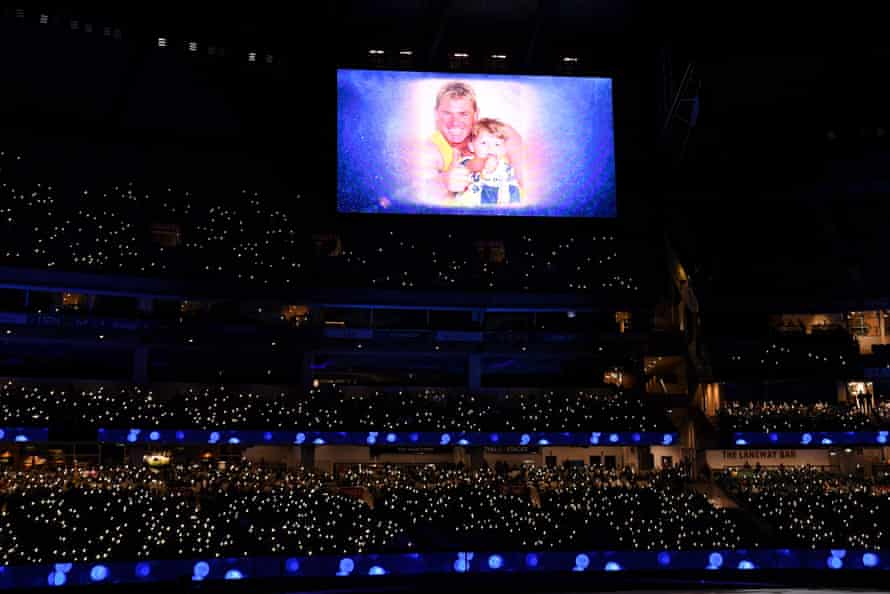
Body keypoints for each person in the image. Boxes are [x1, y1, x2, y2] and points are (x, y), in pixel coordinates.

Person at [416, 81, 523, 204]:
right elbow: (416, 193)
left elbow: (531, 181)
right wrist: (443, 182)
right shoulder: (429, 150)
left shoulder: (500, 133)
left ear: (476, 114)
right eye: (447, 113)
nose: (455, 122)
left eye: (463, 114)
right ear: (436, 114)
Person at [458, 118, 522, 205]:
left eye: (497, 144)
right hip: (471, 205)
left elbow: (514, 187)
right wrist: (484, 163)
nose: (491, 148)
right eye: (484, 143)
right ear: (472, 146)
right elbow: (470, 166)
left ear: (504, 149)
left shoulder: (507, 168)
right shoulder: (468, 162)